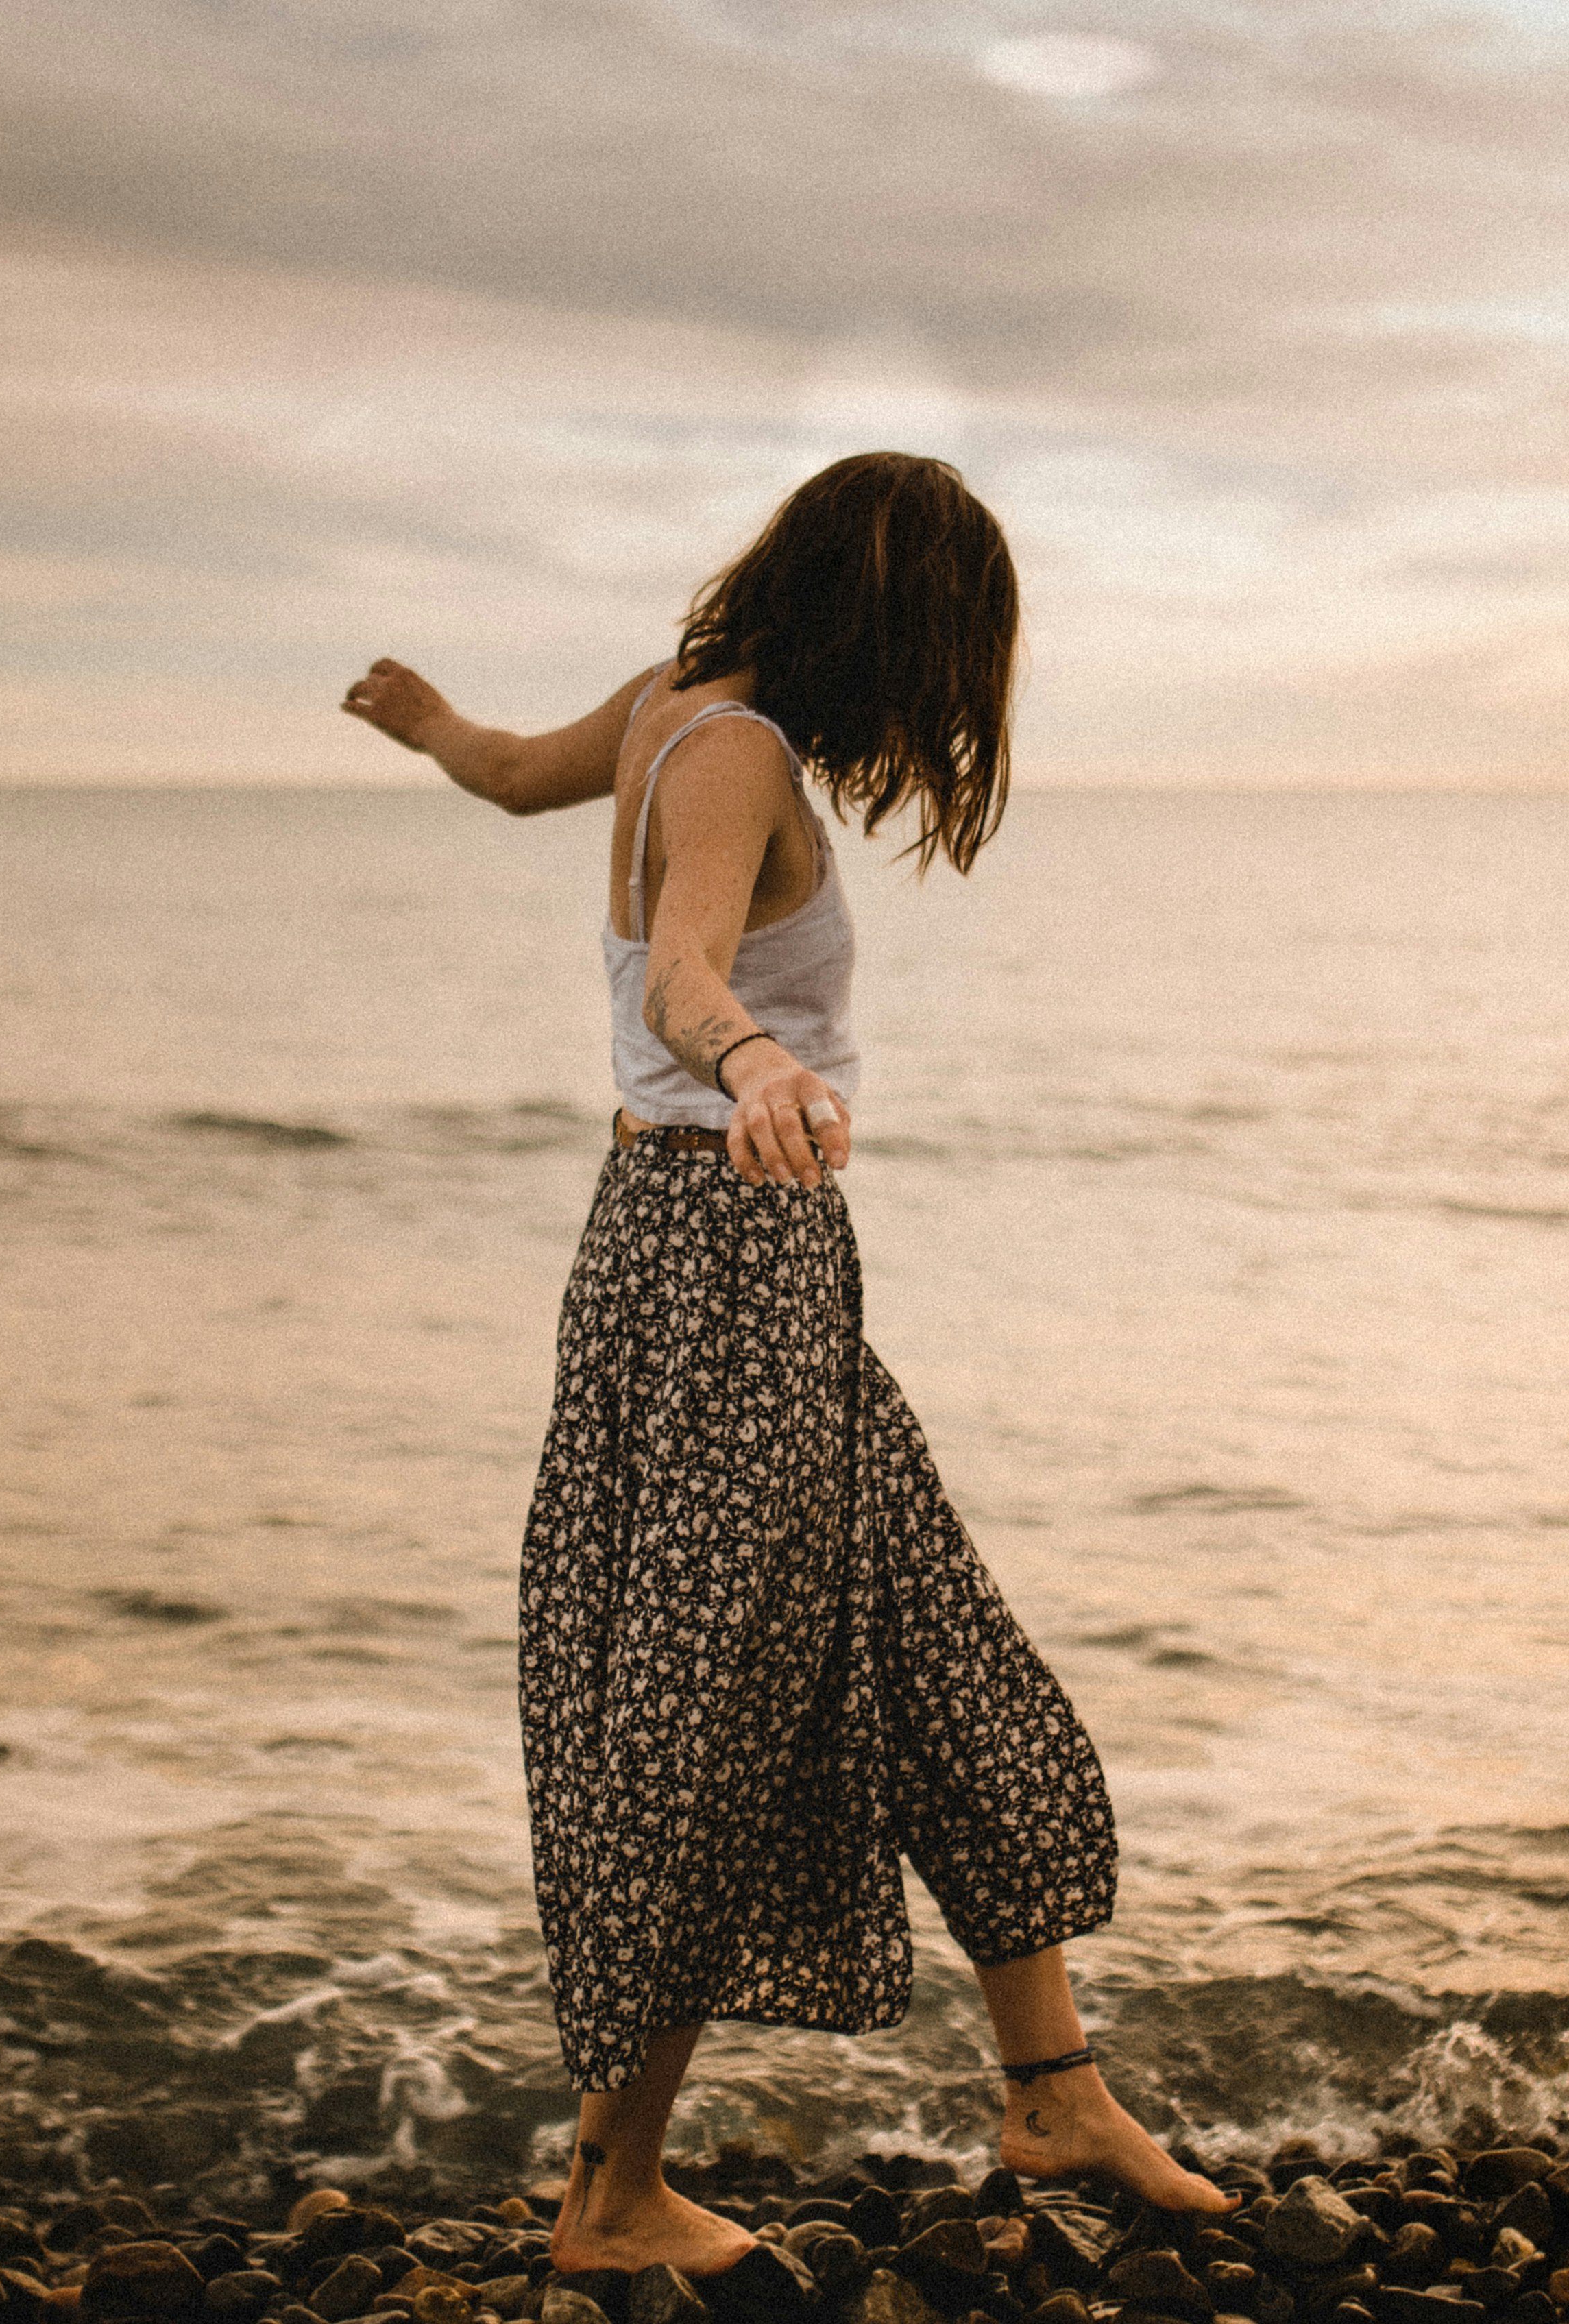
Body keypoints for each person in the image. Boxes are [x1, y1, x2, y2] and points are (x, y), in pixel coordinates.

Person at [339, 452, 1237, 2275]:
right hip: (727, 1254)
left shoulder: (670, 706)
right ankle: (611, 2195)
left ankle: (1052, 2086)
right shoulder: (738, 749)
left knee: (921, 1631)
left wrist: (432, 723)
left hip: (697, 1251)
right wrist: (755, 1063)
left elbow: (517, 781)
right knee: (717, 1704)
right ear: (887, 627)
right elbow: (681, 968)